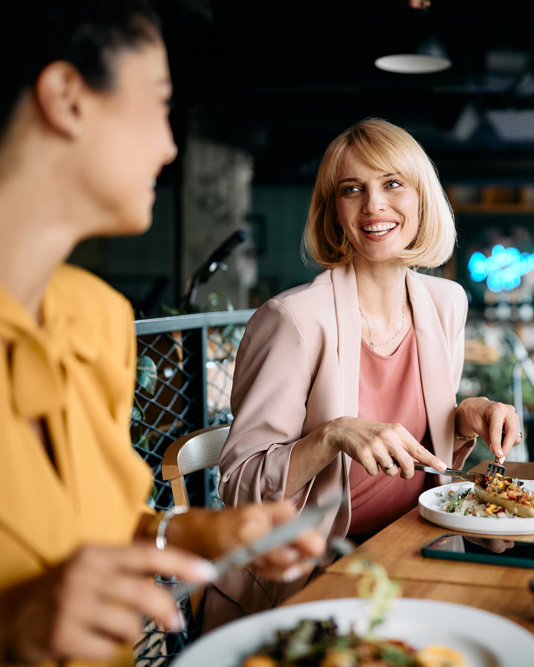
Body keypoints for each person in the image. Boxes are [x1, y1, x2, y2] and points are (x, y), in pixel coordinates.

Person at [0, 3, 325, 664]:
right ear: (67, 98)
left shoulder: (97, 317)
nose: (170, 145)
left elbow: (100, 530)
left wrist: (192, 530)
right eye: (159, 103)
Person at [205, 118, 522, 628]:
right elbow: (240, 484)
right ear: (335, 212)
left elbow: (419, 444)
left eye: (392, 184)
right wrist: (333, 436)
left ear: (422, 198)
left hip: (414, 544)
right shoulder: (293, 320)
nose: (374, 205)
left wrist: (469, 416)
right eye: (353, 189)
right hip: (309, 575)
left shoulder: (445, 302)